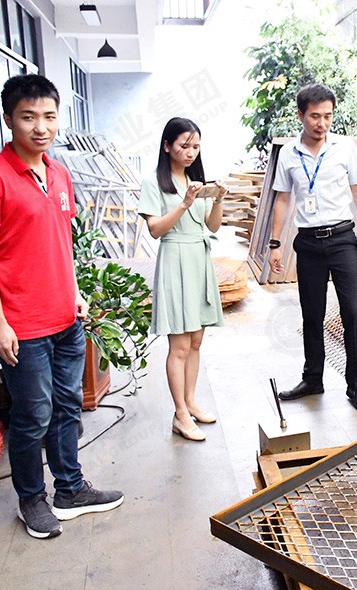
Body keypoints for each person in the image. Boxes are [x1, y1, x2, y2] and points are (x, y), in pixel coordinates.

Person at [0, 74, 123, 540]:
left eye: (49, 116)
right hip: (23, 326)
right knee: (32, 415)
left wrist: (74, 292)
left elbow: (60, 241)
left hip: (64, 318)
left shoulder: (58, 174)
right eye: (28, 117)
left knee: (67, 407)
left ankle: (70, 489)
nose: (41, 127)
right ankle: (31, 499)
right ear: (8, 119)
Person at [268, 83, 357, 413]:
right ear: (300, 115)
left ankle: (356, 386)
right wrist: (275, 244)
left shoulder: (344, 147)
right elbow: (282, 199)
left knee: (352, 314)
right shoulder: (289, 154)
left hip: (341, 239)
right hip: (308, 243)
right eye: (315, 116)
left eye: (328, 116)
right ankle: (313, 379)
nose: (322, 123)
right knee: (312, 315)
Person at [138, 117, 225, 442]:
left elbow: (211, 226)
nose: (190, 152)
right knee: (180, 345)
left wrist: (217, 199)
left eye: (195, 147)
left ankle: (190, 402)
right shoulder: (154, 183)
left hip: (198, 259)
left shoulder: (195, 181)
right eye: (184, 146)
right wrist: (185, 203)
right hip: (174, 259)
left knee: (197, 341)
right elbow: (155, 229)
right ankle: (180, 414)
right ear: (167, 146)